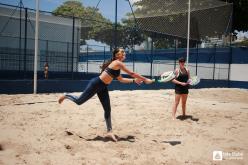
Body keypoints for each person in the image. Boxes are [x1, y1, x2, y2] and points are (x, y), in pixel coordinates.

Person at [58, 48, 153, 142]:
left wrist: (134, 80)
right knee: (79, 101)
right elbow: (131, 73)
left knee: (107, 109)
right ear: (116, 55)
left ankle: (109, 132)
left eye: (124, 51)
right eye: (122, 51)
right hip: (96, 84)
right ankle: (66, 95)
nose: (124, 52)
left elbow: (121, 80)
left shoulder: (117, 67)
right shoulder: (117, 63)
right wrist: (145, 79)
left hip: (103, 87)